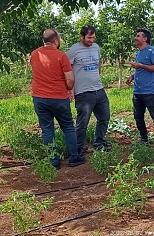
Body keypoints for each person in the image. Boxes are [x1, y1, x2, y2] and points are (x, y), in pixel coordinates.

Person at [30, 28, 86, 170]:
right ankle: (74, 157)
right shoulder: (61, 56)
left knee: (47, 129)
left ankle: (53, 162)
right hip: (58, 98)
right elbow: (70, 78)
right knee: (67, 127)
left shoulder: (34, 54)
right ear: (56, 41)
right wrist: (68, 89)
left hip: (39, 98)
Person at [67, 25, 111, 154]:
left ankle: (99, 143)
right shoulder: (73, 50)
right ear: (82, 36)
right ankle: (78, 148)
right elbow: (66, 69)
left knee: (104, 117)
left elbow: (98, 64)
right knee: (82, 122)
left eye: (93, 37)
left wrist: (96, 76)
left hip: (99, 89)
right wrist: (69, 88)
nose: (91, 40)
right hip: (83, 92)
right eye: (89, 38)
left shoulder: (96, 47)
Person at [125, 28, 154, 146]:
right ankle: (144, 139)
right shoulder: (139, 53)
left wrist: (140, 66)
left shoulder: (152, 51)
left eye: (138, 36)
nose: (135, 38)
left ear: (145, 38)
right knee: (138, 117)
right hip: (138, 92)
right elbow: (141, 69)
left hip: (150, 92)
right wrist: (132, 76)